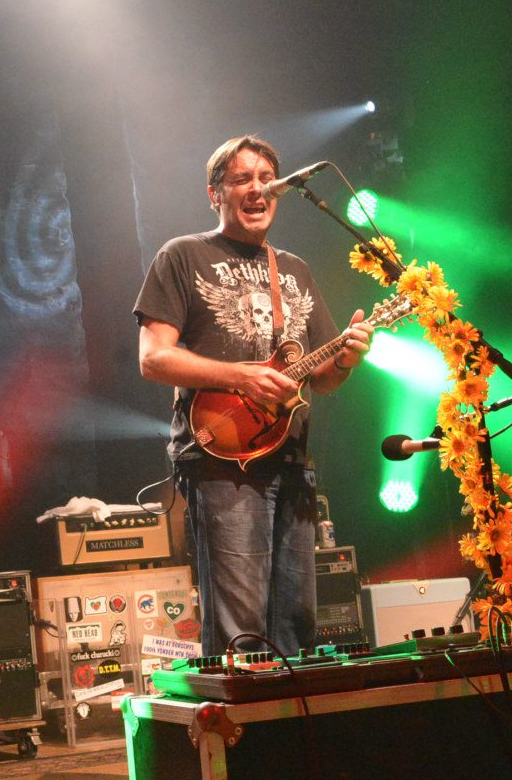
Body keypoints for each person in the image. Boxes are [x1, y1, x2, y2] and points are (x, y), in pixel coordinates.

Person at [135, 135, 373, 657]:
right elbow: (154, 359)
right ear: (214, 194)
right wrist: (241, 379)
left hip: (291, 459)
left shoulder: (295, 269)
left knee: (297, 625)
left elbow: (322, 378)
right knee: (241, 627)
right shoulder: (184, 255)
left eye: (267, 179)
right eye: (242, 179)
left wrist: (347, 359)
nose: (257, 189)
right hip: (222, 459)